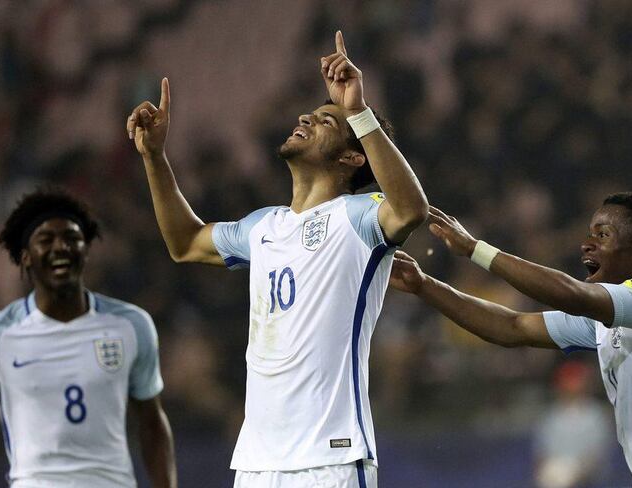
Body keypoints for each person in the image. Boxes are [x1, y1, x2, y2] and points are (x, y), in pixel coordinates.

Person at [127, 31, 428, 488]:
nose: (307, 116)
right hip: (257, 461)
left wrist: (357, 111)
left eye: (327, 122)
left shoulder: (361, 216)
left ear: (351, 156)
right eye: (313, 113)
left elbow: (411, 210)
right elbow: (185, 243)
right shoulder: (263, 226)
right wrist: (154, 158)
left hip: (330, 457)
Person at [389, 192, 632, 487]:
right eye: (589, 233)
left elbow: (573, 294)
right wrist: (424, 285)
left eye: (603, 235)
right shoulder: (608, 321)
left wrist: (476, 250)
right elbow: (513, 326)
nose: (587, 244)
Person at [0, 188, 177, 488]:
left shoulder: (131, 326)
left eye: (71, 238)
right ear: (25, 257)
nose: (60, 247)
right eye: (45, 240)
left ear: (86, 250)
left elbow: (152, 423)